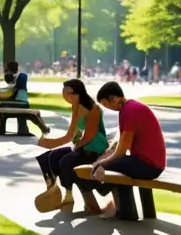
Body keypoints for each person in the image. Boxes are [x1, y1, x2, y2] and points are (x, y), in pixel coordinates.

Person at [76, 82, 167, 218]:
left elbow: (121, 152)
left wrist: (100, 164)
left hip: (149, 165)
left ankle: (117, 208)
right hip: (149, 162)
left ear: (113, 98)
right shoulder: (128, 108)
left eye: (105, 104)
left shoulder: (130, 112)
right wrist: (105, 157)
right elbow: (118, 143)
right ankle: (124, 211)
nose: (106, 108)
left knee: (109, 166)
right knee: (115, 167)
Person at [34, 79, 109, 212]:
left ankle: (68, 196)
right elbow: (70, 134)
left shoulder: (94, 109)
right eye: (64, 95)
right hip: (81, 148)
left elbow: (89, 136)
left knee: (66, 161)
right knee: (48, 157)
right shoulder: (75, 106)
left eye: (69, 95)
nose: (67, 98)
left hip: (94, 151)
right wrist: (51, 144)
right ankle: (52, 189)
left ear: (78, 93)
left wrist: (75, 147)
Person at [0, 60, 35, 136]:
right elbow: (9, 88)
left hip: (20, 100)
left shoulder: (22, 76)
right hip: (17, 99)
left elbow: (13, 89)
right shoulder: (12, 76)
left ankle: (20, 130)